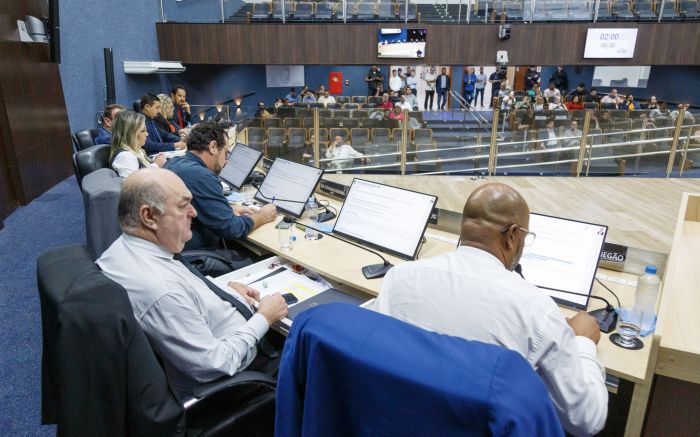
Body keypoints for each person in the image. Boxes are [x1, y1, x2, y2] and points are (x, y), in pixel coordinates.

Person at [373, 183, 607, 436]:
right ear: (512, 236)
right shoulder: (538, 311)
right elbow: (586, 420)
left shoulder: (399, 278)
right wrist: (583, 343)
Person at [97, 168, 288, 399]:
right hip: (241, 376)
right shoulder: (161, 290)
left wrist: (224, 291)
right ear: (149, 217)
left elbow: (185, 291)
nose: (194, 213)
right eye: (182, 206)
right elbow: (215, 364)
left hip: (229, 333)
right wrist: (264, 318)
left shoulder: (129, 248)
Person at [164, 122, 277, 251]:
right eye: (226, 153)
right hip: (197, 253)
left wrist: (225, 208)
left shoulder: (175, 162)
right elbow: (232, 229)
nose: (227, 160)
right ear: (213, 147)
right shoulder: (202, 176)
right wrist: (262, 216)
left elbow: (196, 203)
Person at [109, 110, 166, 179]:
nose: (147, 134)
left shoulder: (136, 150)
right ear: (130, 134)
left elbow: (141, 167)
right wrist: (156, 165)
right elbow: (132, 185)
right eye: (143, 130)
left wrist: (154, 159)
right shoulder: (125, 157)